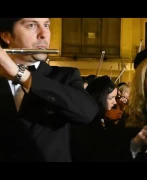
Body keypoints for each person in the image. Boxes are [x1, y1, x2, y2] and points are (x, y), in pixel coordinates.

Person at [0, 18, 98, 162]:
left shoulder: (65, 76)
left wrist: (21, 75)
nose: (44, 34)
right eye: (32, 25)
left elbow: (87, 112)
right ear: (6, 36)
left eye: (46, 25)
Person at [70, 75, 132, 162]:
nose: (115, 102)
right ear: (100, 97)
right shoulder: (87, 121)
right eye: (111, 98)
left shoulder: (103, 120)